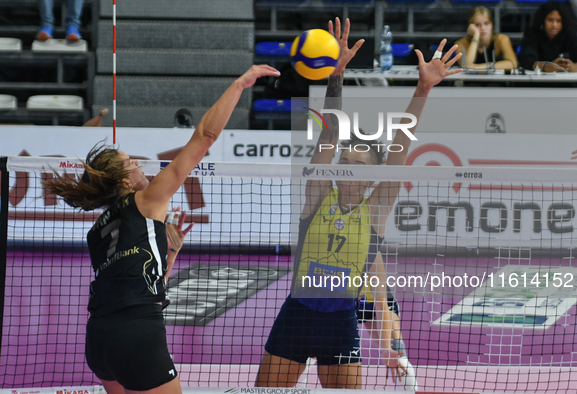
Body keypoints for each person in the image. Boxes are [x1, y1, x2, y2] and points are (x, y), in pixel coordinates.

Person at [44, 64, 280, 394]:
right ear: (126, 180)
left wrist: (168, 256)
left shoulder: (96, 231)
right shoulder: (147, 199)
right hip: (137, 336)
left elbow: (133, 281)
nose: (141, 166)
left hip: (99, 340)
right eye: (134, 164)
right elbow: (205, 137)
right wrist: (241, 83)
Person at [255, 17, 462, 389]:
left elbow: (401, 144)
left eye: (356, 165)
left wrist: (423, 89)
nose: (346, 168)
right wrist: (336, 74)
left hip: (341, 322)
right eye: (344, 162)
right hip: (297, 316)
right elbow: (330, 131)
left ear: (371, 178)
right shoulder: (318, 196)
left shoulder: (376, 210)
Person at [357, 252, 418, 391]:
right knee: (313, 347)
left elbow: (381, 305)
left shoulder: (368, 248)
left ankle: (407, 390)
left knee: (396, 352)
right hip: (343, 302)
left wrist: (386, 348)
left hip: (374, 301)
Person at [518, 1, 577, 72]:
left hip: (565, 81)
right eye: (550, 20)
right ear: (542, 20)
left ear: (563, 22)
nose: (554, 25)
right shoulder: (532, 34)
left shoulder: (569, 34)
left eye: (558, 21)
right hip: (539, 82)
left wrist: (574, 67)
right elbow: (526, 60)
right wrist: (546, 66)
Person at [455, 6, 518, 70]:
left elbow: (513, 63)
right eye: (478, 25)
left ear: (491, 24)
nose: (483, 28)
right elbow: (466, 65)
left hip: (495, 79)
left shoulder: (501, 39)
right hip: (471, 80)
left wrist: (482, 67)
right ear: (471, 27)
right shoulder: (461, 43)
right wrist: (476, 36)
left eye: (486, 23)